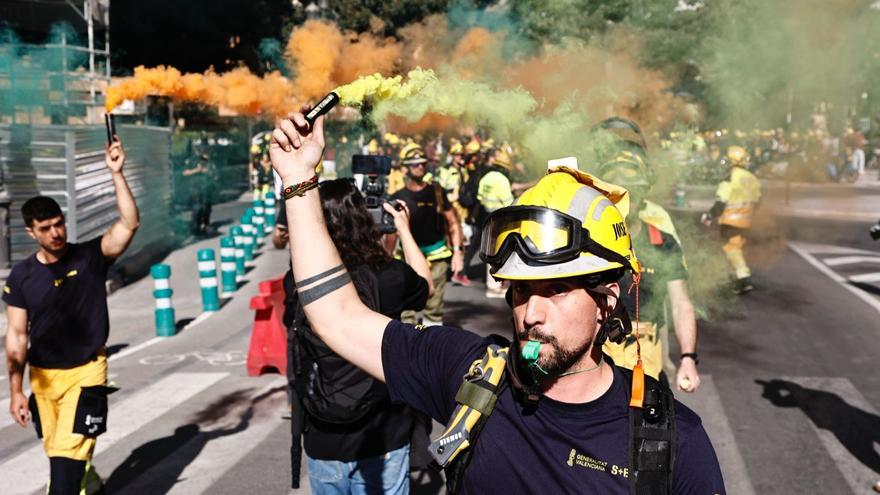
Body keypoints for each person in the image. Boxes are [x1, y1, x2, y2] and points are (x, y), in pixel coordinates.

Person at [269, 109, 724, 494]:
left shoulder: (672, 443)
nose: (531, 314)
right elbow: (337, 317)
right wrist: (298, 180)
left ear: (606, 301)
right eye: (521, 290)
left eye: (557, 290)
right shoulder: (469, 376)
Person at [4, 135, 139, 495]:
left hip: (87, 372)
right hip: (44, 378)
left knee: (64, 466)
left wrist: (117, 173)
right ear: (31, 232)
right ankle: (89, 482)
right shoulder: (22, 277)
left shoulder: (89, 257)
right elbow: (16, 335)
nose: (56, 232)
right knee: (56, 450)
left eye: (59, 223)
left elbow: (128, 225)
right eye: (46, 228)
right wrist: (16, 391)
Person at [282, 179, 431, 494]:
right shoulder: (388, 276)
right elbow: (425, 286)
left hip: (323, 436)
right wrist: (402, 230)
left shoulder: (298, 282)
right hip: (384, 434)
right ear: (365, 218)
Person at [595, 117, 701, 393]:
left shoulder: (661, 239)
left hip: (647, 350)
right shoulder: (588, 236)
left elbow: (680, 302)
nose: (623, 202)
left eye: (630, 192)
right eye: (616, 194)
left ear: (643, 192)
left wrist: (688, 358)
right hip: (594, 352)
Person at [389, 142, 464, 327]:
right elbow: (392, 233)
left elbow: (453, 222)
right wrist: (387, 258)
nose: (420, 167)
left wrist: (458, 252)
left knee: (434, 307)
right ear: (405, 167)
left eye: (423, 163)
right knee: (406, 307)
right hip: (407, 258)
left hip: (437, 256)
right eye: (415, 164)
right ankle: (407, 344)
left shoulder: (436, 192)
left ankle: (432, 344)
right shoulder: (398, 196)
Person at [701, 145, 762, 294]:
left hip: (730, 221)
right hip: (746, 220)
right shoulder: (752, 178)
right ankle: (736, 276)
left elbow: (721, 201)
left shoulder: (729, 177)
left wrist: (710, 215)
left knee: (731, 248)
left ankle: (743, 279)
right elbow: (759, 200)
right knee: (736, 248)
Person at [476, 148, 515, 298]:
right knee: (502, 251)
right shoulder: (502, 180)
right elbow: (509, 202)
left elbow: (480, 197)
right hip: (501, 218)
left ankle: (491, 285)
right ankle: (498, 285)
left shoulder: (486, 177)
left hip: (487, 217)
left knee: (490, 251)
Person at [182, 145, 216, 236]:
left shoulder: (209, 162)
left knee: (206, 207)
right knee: (197, 208)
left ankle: (206, 224)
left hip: (206, 187)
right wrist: (197, 170)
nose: (207, 155)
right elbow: (185, 173)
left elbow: (214, 173)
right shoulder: (192, 161)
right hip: (195, 188)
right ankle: (196, 226)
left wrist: (207, 172)